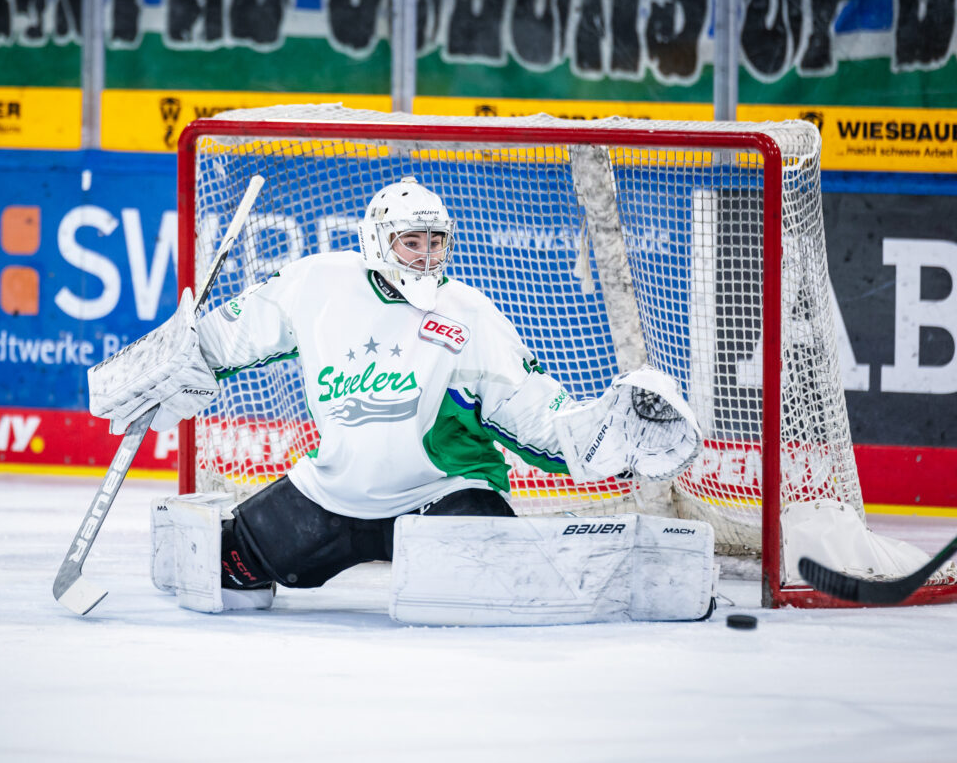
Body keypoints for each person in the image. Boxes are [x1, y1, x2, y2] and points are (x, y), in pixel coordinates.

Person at [91, 177, 702, 599]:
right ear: (379, 241)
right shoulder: (317, 283)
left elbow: (532, 414)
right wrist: (175, 361)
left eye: (437, 242)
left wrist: (604, 438)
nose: (427, 255)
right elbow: (228, 341)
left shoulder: (469, 314)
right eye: (413, 241)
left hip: (442, 495)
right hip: (334, 493)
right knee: (222, 567)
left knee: (490, 572)